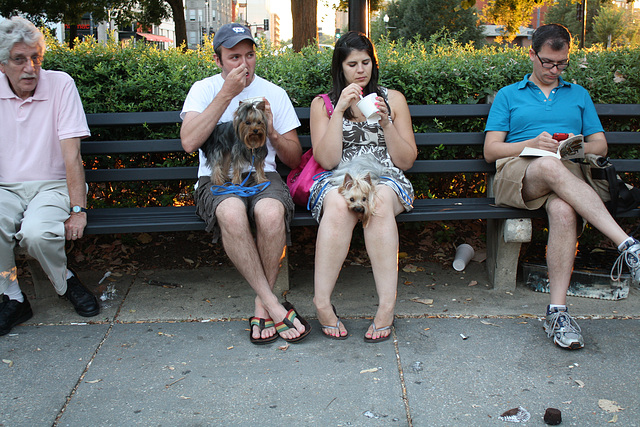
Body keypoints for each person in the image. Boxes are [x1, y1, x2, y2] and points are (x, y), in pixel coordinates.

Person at [484, 23, 640, 350]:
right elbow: (491, 150)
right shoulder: (509, 95)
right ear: (532, 55)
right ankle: (626, 245)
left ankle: (557, 313)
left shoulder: (578, 95)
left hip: (567, 175)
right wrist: (531, 143)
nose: (554, 70)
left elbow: (601, 144)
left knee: (564, 210)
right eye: (547, 63)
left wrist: (574, 147)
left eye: (561, 64)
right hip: (520, 173)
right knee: (546, 164)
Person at [180, 23, 310, 344]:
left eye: (249, 55)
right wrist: (227, 95)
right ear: (218, 61)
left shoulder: (274, 93)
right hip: (217, 178)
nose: (244, 64)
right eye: (234, 57)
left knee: (269, 214)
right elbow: (189, 142)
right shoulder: (203, 89)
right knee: (232, 213)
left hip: (264, 178)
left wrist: (273, 132)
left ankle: (261, 305)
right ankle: (274, 306)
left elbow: (294, 160)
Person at [309, 31, 417, 342]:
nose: (360, 70)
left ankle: (386, 306)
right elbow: (328, 161)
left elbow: (407, 160)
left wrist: (386, 122)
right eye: (352, 64)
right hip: (339, 178)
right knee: (339, 206)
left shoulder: (392, 99)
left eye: (366, 62)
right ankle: (321, 303)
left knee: (379, 203)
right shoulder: (324, 104)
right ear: (340, 68)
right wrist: (339, 110)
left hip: (386, 178)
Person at [0, 17, 100, 336]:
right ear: (2, 64)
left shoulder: (60, 84)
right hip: (5, 188)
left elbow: (72, 155)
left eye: (36, 58)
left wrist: (78, 210)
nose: (30, 68)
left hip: (53, 186)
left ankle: (64, 282)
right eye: (19, 59)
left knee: (37, 234)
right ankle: (13, 297)